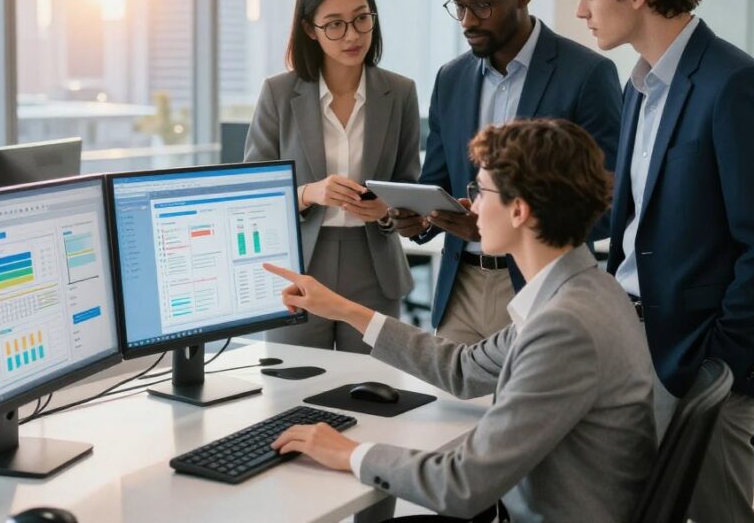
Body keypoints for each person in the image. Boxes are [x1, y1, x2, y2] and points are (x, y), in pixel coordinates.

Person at [265, 119, 656, 522]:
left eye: (480, 191)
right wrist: (344, 309)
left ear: (519, 210)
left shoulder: (565, 326)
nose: (470, 206)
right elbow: (463, 369)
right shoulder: (588, 290)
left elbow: (462, 485)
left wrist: (349, 453)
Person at [558, 0, 754, 523]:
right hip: (633, 344)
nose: (581, 10)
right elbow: (641, 223)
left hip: (698, 360)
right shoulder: (639, 86)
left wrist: (718, 364)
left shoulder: (734, 84)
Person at [389, 0, 621, 345]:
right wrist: (419, 218)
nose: (468, 21)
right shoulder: (451, 78)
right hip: (458, 288)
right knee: (443, 409)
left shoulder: (586, 75)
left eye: (482, 5)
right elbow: (437, 181)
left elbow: (609, 198)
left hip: (541, 290)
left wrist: (513, 228)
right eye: (458, 7)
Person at [245, 0, 420, 352]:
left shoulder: (400, 92)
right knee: (293, 390)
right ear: (310, 28)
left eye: (361, 20)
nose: (352, 35)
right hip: (303, 265)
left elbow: (409, 187)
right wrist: (310, 193)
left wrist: (387, 211)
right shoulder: (278, 93)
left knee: (373, 392)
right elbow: (253, 194)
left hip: (375, 265)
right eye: (335, 24)